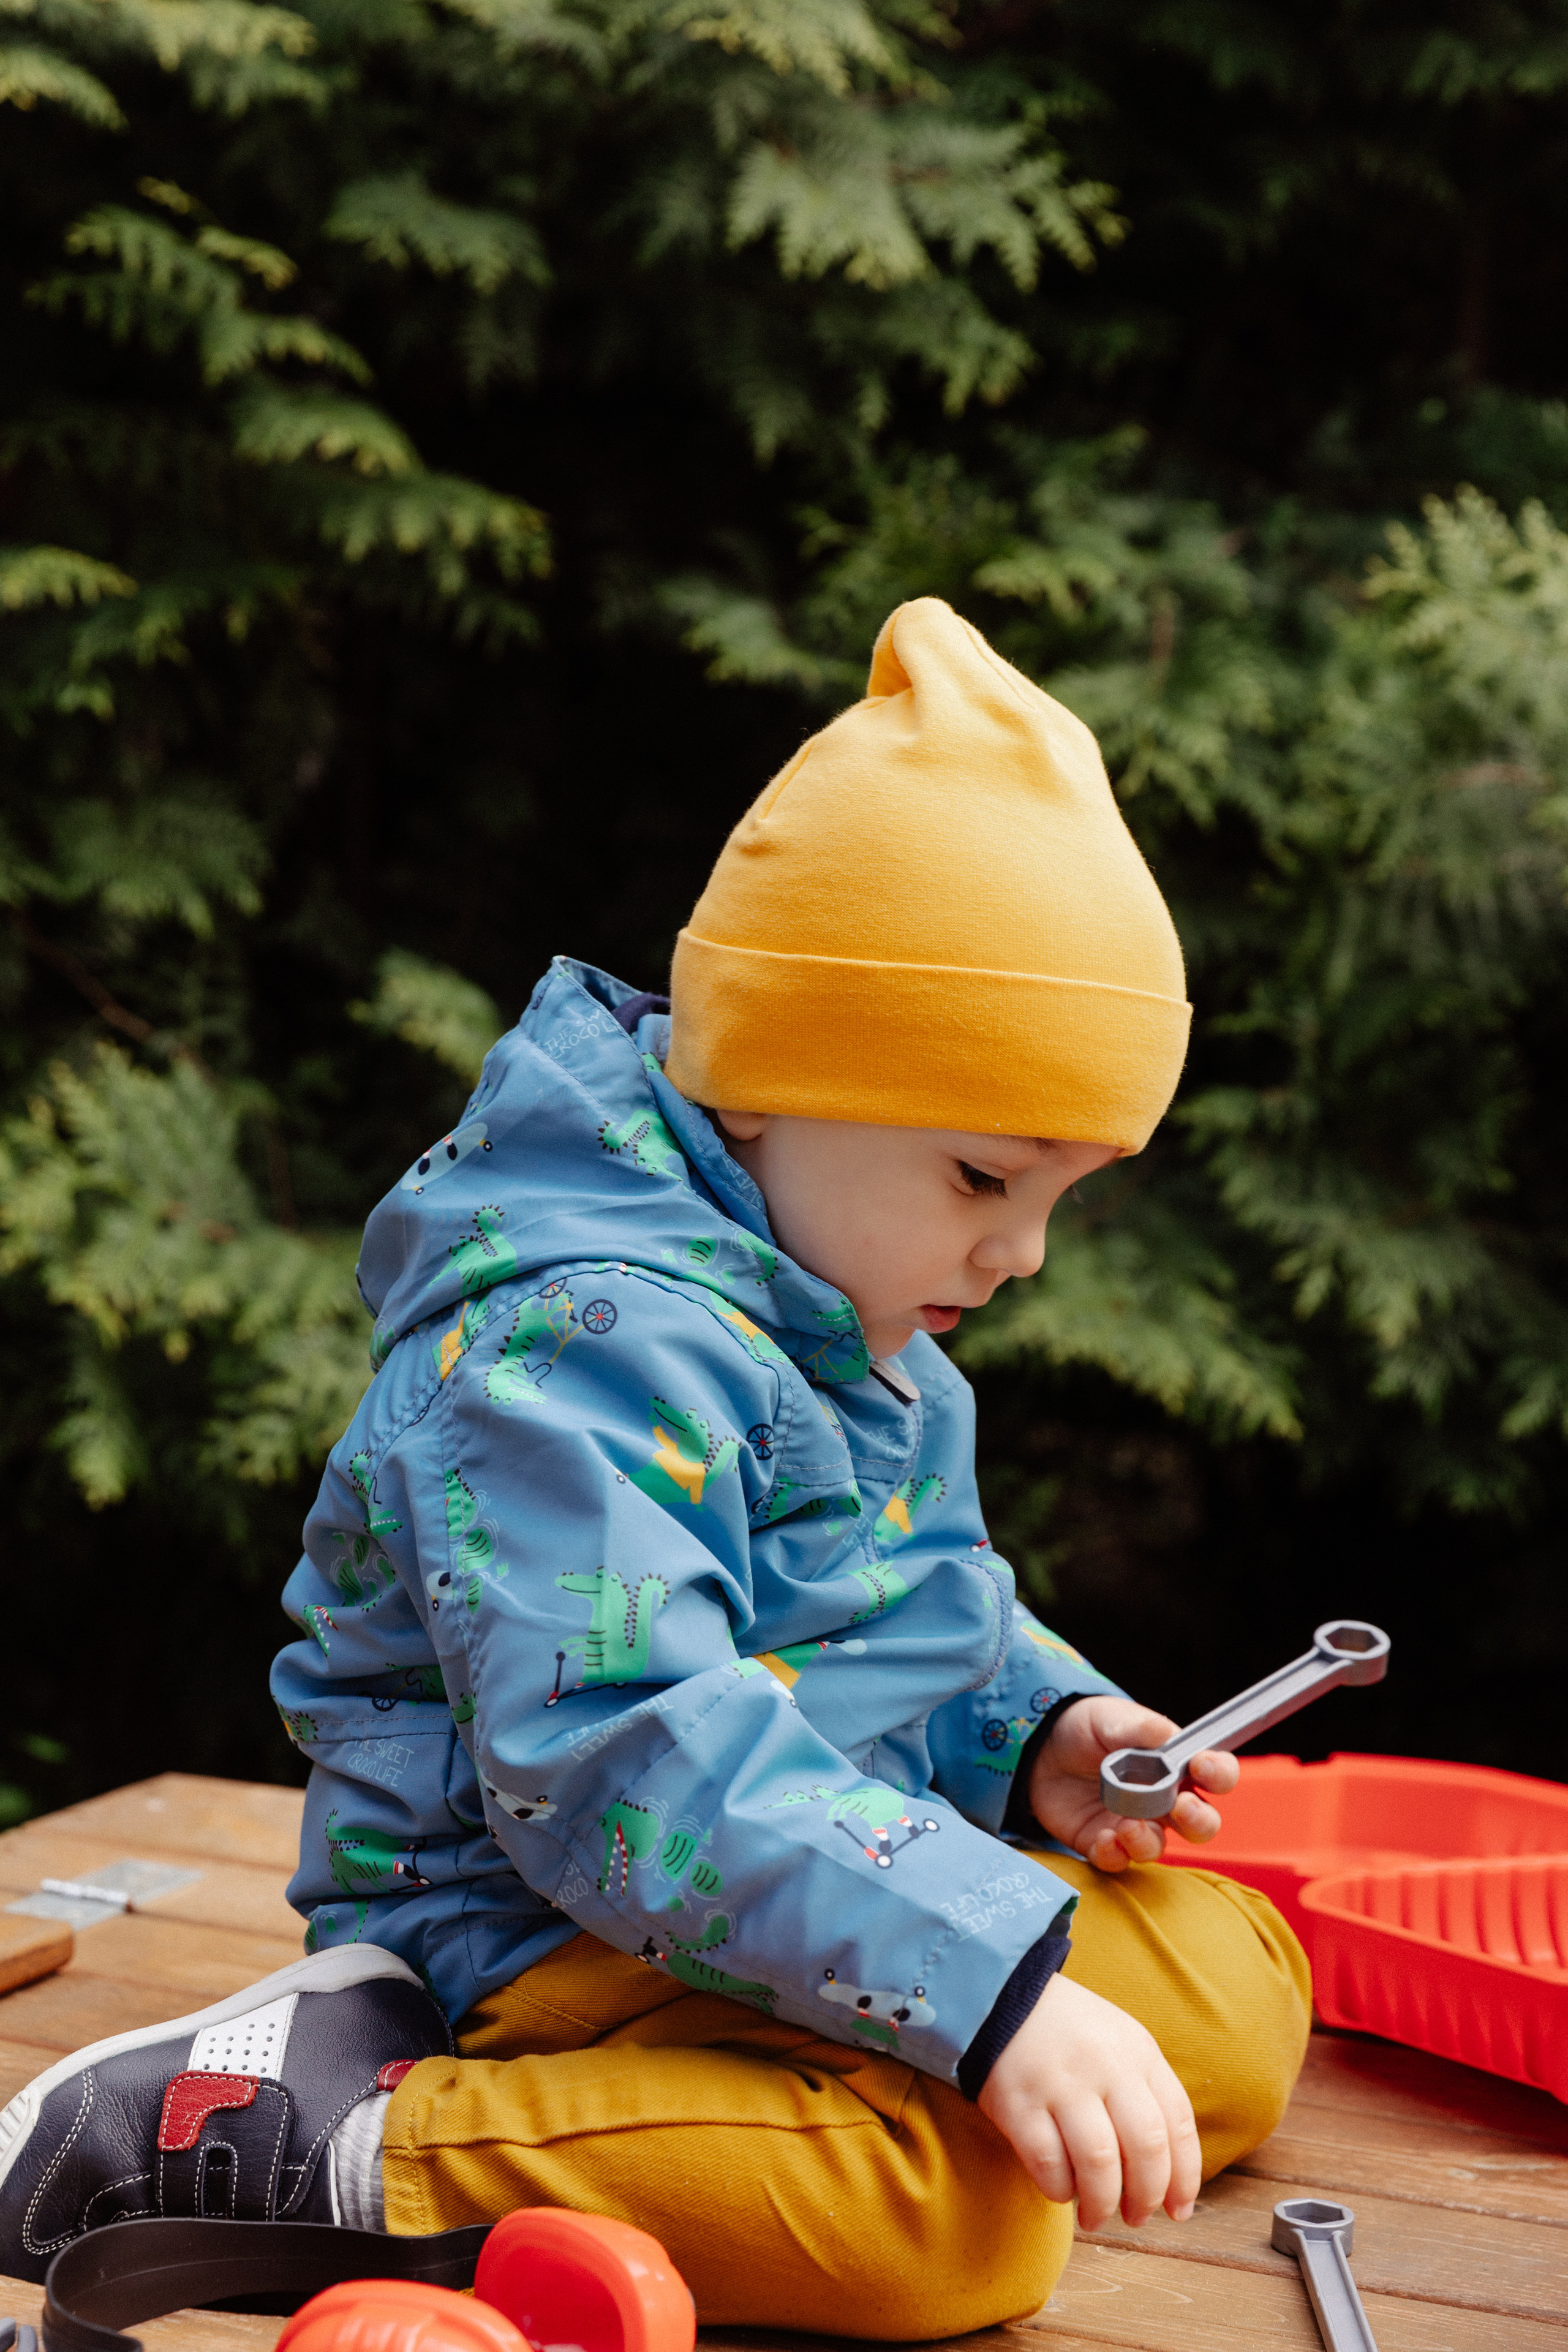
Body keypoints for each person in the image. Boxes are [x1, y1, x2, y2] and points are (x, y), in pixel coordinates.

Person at [0, 600, 1309, 2333]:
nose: (1024, 1256)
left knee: (1234, 1996)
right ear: (767, 1082)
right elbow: (627, 1758)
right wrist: (992, 1988)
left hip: (795, 1882)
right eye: (987, 1179)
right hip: (552, 1926)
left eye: (1069, 1194)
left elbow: (910, 1610)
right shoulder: (570, 1353)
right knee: (964, 2227)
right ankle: (332, 2135)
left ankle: (824, 2057)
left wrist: (1033, 1728)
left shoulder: (854, 1316)